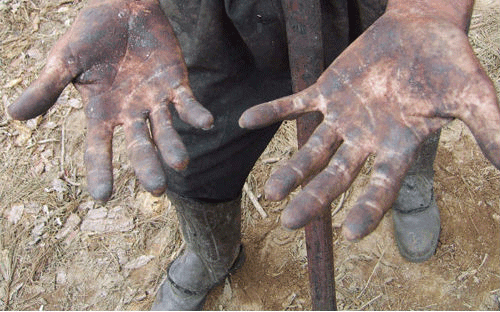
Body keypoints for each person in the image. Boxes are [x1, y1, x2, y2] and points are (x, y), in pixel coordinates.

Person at [7, 0, 500, 310]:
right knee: (192, 149)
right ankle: (213, 252)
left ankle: (411, 178)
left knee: (405, 95)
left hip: (382, 6)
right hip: (212, 12)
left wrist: (432, 10)